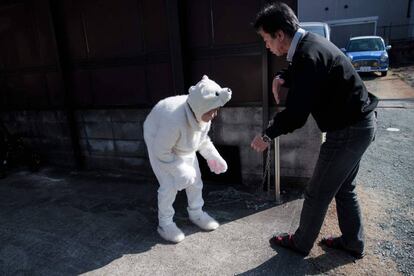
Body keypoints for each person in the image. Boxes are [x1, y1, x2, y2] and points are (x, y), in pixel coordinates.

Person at [250, 2, 378, 258]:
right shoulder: (310, 43)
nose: (266, 46)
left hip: (347, 132)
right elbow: (308, 69)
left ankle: (300, 243)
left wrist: (267, 135)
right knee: (344, 188)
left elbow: (296, 115)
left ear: (280, 35)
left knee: (317, 192)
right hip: (361, 124)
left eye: (266, 39)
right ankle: (353, 242)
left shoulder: (308, 56)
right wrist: (283, 76)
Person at [143, 75, 232, 243]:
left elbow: (201, 140)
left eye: (217, 110)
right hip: (158, 139)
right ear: (199, 108)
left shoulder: (203, 112)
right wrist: (179, 168)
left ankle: (196, 213)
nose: (214, 115)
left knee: (195, 179)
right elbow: (160, 151)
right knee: (169, 185)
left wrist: (213, 156)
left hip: (180, 141)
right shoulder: (173, 120)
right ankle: (165, 223)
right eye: (211, 111)